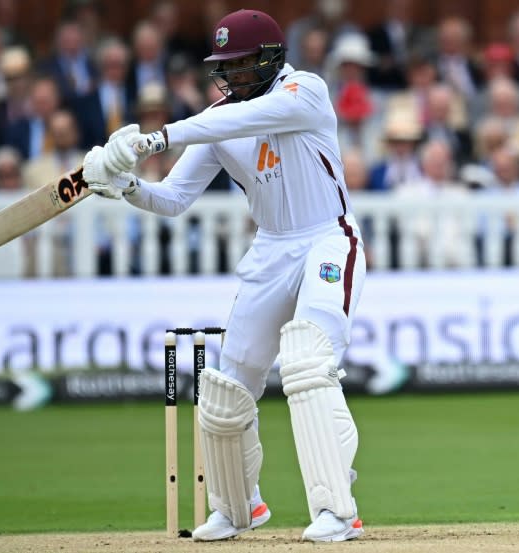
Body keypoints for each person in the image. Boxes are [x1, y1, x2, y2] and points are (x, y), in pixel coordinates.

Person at [81, 8, 366, 543]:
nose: (232, 77)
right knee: (226, 386)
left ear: (270, 60)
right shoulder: (217, 120)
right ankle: (237, 509)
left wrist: (152, 140)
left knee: (307, 360)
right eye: (225, 67)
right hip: (270, 250)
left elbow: (239, 121)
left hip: (327, 239)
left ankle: (337, 511)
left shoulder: (305, 90)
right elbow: (172, 199)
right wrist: (124, 185)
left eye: (242, 65)